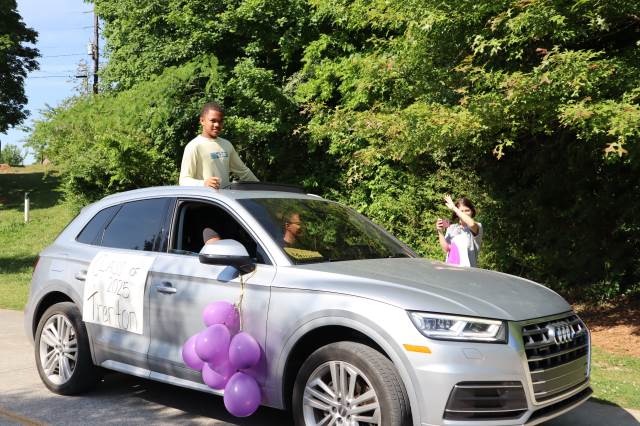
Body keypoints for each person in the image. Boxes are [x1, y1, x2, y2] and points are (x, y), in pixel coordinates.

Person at [179, 102, 259, 189]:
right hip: (204, 197)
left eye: (220, 121)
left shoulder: (227, 145)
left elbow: (244, 172)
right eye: (213, 121)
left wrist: (262, 188)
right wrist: (204, 183)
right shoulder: (194, 146)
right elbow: (183, 181)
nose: (217, 125)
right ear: (202, 121)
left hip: (224, 198)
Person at [436, 195, 483, 267]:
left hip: (468, 271)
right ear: (457, 214)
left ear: (472, 212)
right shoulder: (452, 227)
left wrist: (454, 208)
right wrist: (440, 231)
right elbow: (446, 249)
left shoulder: (477, 226)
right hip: (451, 269)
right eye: (461, 211)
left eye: (467, 210)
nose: (464, 213)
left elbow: (471, 224)